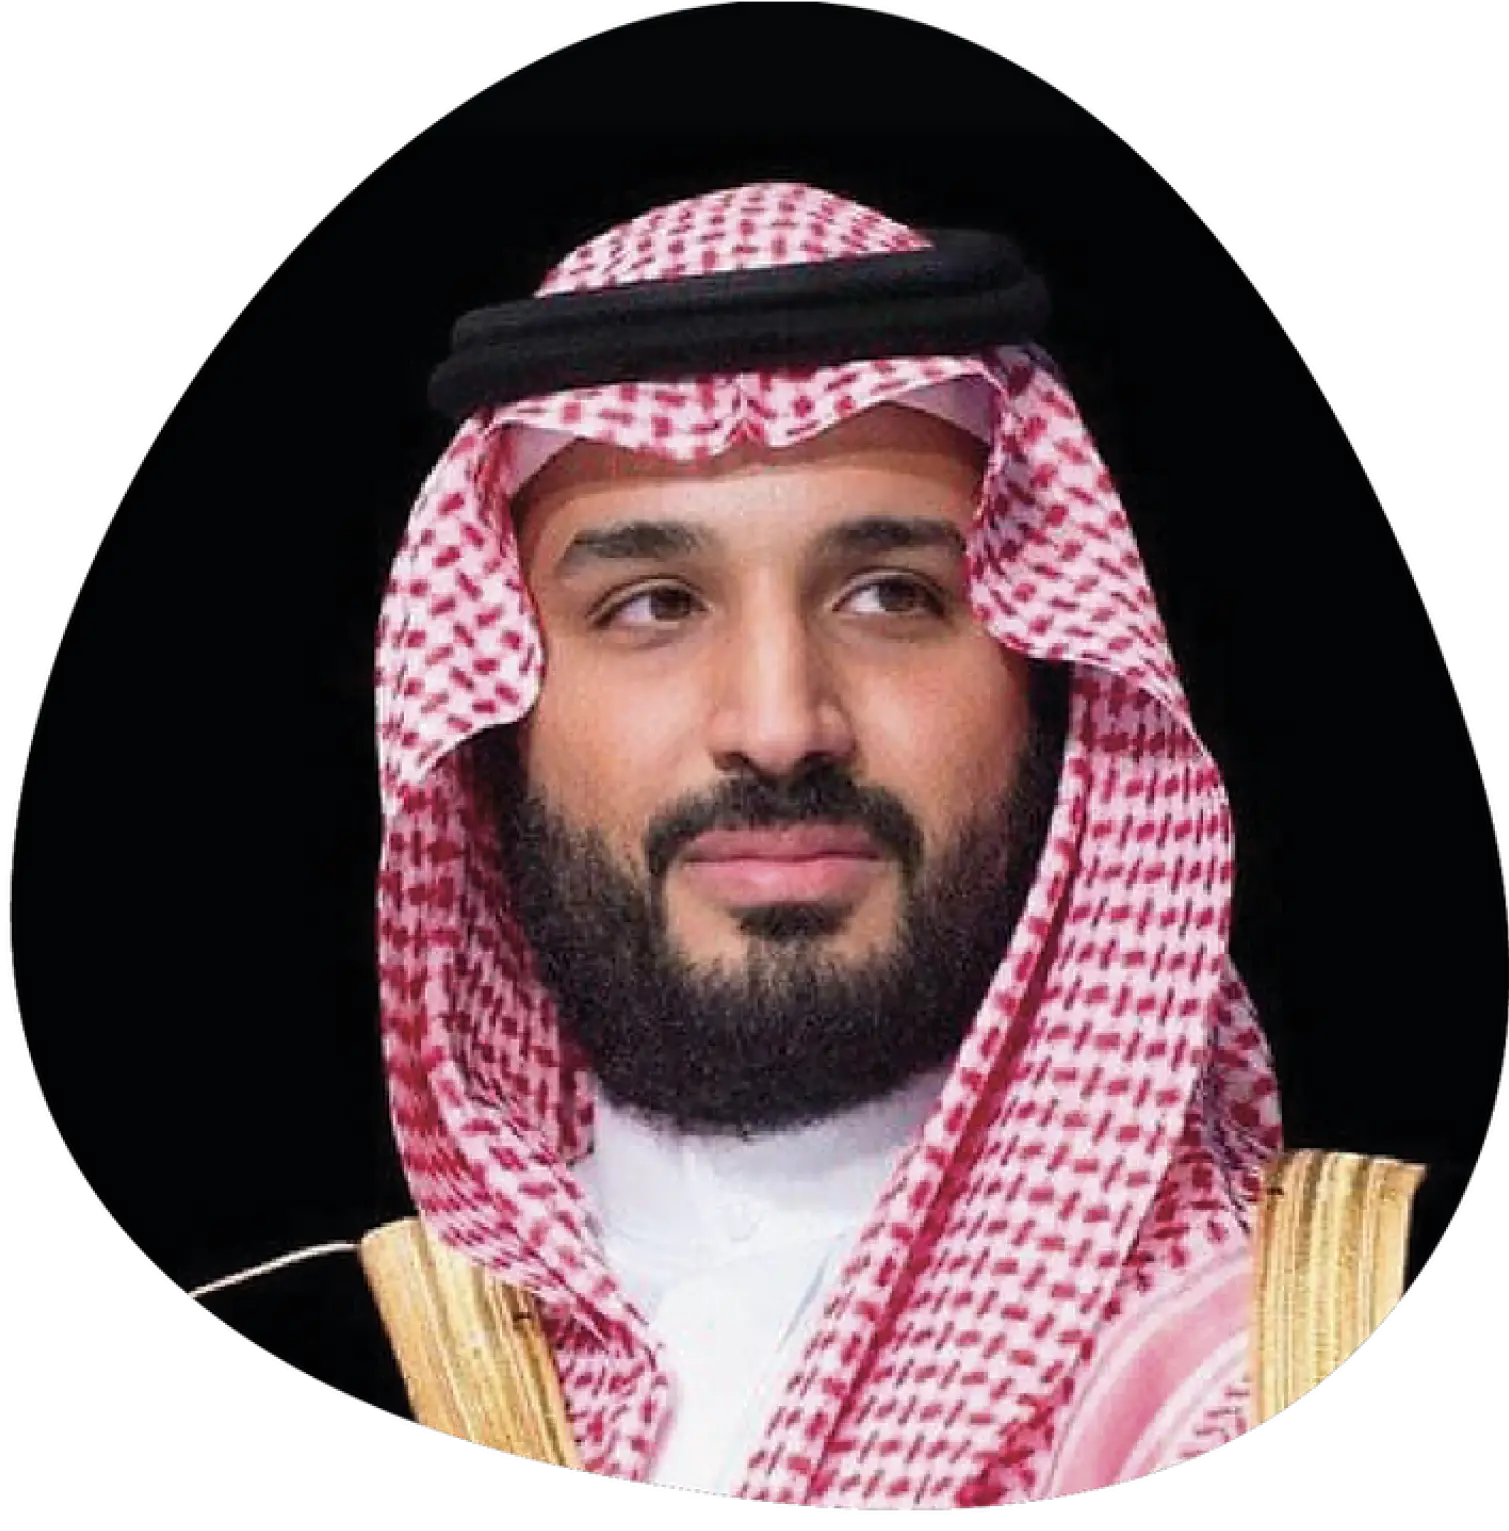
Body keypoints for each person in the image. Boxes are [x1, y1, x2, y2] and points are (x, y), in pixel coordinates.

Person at [186, 181, 1421, 1511]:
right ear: (494, 723)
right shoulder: (310, 1342)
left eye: (890, 595)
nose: (779, 726)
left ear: (1054, 679)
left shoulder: (1338, 1315)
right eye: (653, 606)